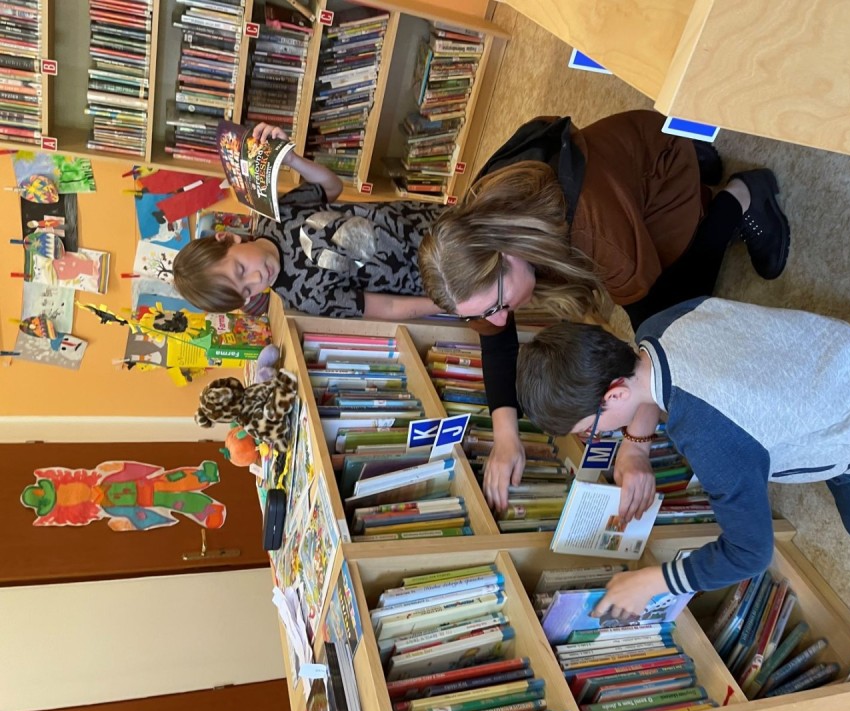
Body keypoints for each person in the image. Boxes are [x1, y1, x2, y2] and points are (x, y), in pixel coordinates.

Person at [514, 298, 850, 620]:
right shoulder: (657, 325)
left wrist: (654, 581)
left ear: (614, 394)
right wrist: (634, 448)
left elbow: (749, 553)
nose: (597, 436)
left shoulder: (707, 436)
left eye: (592, 427)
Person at [418, 110, 791, 514]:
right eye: (479, 314)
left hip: (654, 172)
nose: (496, 320)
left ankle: (740, 196)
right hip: (617, 167)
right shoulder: (476, 237)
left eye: (496, 306)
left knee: (683, 304)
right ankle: (692, 171)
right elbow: (496, 339)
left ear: (509, 255)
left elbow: (659, 344)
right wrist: (506, 435)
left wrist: (637, 447)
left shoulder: (597, 238)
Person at [173, 122, 444, 320]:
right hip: (436, 273)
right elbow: (387, 307)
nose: (257, 279)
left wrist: (291, 159)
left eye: (241, 269)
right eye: (247, 290)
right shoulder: (304, 298)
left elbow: (332, 187)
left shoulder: (273, 214)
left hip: (426, 221)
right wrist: (448, 304)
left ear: (228, 238)